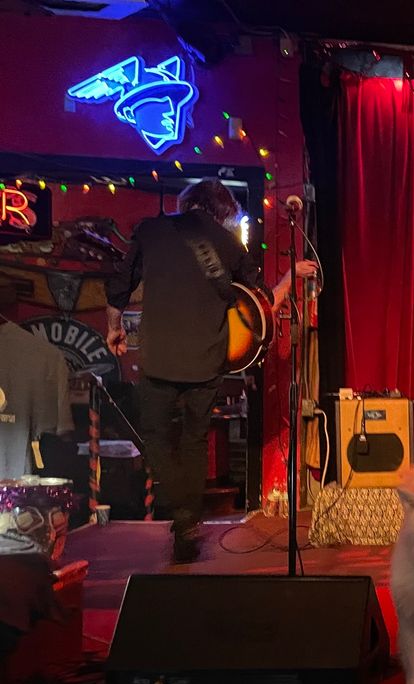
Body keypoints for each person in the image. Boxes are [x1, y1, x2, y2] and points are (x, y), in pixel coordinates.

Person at [105, 178, 317, 562]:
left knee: (153, 436)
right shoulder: (229, 245)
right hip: (206, 360)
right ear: (223, 212)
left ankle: (182, 517)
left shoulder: (150, 230)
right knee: (194, 440)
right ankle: (187, 522)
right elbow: (261, 303)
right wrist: (289, 278)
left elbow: (119, 284)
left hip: (158, 357)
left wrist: (114, 327)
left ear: (188, 202)